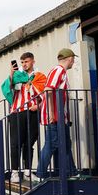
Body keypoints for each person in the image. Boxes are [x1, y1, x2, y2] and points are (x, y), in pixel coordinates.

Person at [1, 52, 46, 182]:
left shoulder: (40, 76)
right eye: (22, 62)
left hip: (32, 112)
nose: (24, 64)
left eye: (26, 61)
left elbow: (45, 94)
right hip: (17, 112)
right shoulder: (16, 76)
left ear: (33, 61)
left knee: (29, 142)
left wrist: (38, 106)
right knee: (15, 143)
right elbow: (6, 89)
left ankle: (27, 171)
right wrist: (11, 73)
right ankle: (14, 173)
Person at [36, 48, 77, 179]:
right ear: (70, 59)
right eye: (73, 60)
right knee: (51, 144)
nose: (73, 62)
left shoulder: (62, 72)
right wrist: (51, 112)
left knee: (65, 144)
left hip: (61, 117)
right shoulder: (58, 70)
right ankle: (41, 174)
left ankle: (72, 172)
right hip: (55, 117)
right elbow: (48, 90)